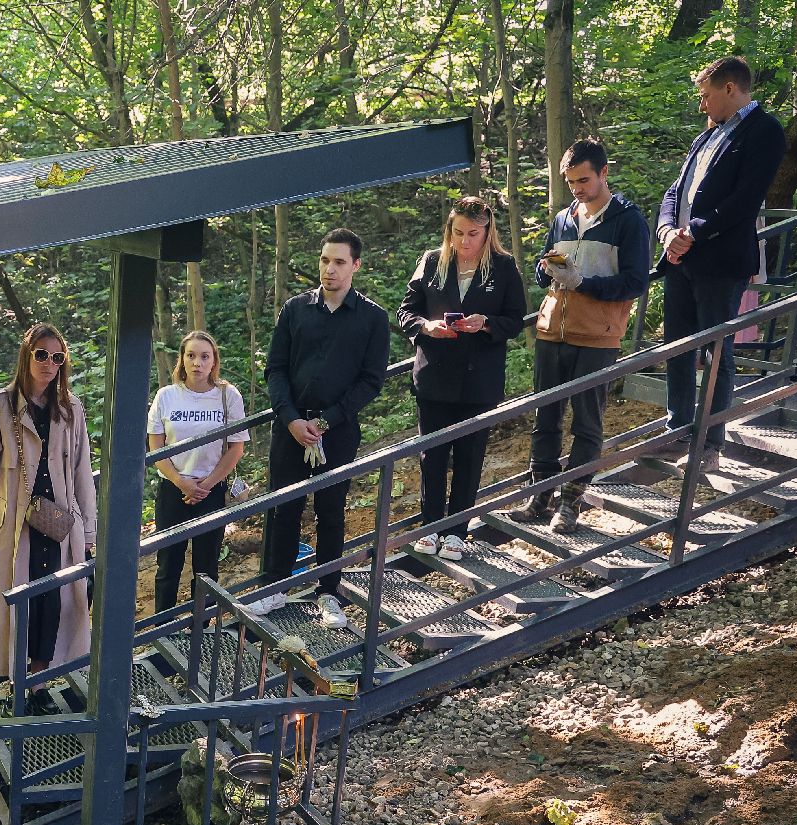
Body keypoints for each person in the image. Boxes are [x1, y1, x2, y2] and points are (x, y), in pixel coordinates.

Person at [248, 227, 390, 627]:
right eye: (325, 260)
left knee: (330, 510)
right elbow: (275, 368)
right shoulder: (295, 309)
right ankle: (273, 587)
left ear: (356, 265)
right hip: (290, 427)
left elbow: (371, 381)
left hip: (337, 429)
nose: (330, 269)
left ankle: (329, 591)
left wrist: (327, 420)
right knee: (283, 508)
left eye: (339, 262)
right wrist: (292, 418)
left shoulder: (372, 318)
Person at [655, 55, 786, 469]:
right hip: (680, 259)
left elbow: (745, 200)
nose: (702, 105)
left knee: (714, 352)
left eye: (706, 96)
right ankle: (677, 430)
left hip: (721, 262)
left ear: (730, 88)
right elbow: (674, 192)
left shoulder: (764, 130)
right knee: (677, 348)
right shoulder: (707, 135)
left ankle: (711, 444)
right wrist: (667, 232)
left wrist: (693, 232)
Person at [516, 138, 652, 532]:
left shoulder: (628, 220)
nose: (576, 188)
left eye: (583, 180)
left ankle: (570, 502)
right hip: (551, 330)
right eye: (571, 182)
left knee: (587, 423)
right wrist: (547, 269)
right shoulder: (563, 218)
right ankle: (539, 496)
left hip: (598, 334)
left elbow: (635, 282)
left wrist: (583, 282)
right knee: (545, 418)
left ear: (603, 173)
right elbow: (542, 270)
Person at [0, 323, 98, 685]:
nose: (49, 363)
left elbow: (82, 472)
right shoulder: (0, 405)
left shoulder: (70, 408)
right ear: (27, 356)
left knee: (53, 602)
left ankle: (37, 684)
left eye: (57, 357)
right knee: (15, 600)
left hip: (58, 523)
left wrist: (88, 530)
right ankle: (17, 684)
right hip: (14, 523)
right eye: (41, 354)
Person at [397, 196, 527, 559]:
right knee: (432, 457)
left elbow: (515, 319)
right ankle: (430, 528)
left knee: (470, 457)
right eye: (458, 233)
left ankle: (457, 531)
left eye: (473, 234)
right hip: (435, 377)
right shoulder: (432, 261)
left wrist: (486, 323)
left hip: (479, 380)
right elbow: (406, 312)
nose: (464, 241)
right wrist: (426, 326)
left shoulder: (503, 267)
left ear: (487, 233)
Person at [147, 330, 249, 613]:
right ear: (181, 359)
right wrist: (182, 482)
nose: (197, 363)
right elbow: (156, 449)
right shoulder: (166, 396)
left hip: (211, 490)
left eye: (205, 357)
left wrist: (206, 485)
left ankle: (200, 628)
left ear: (214, 361)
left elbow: (236, 448)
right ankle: (162, 630)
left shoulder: (228, 395)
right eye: (191, 355)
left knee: (206, 566)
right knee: (168, 564)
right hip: (173, 490)